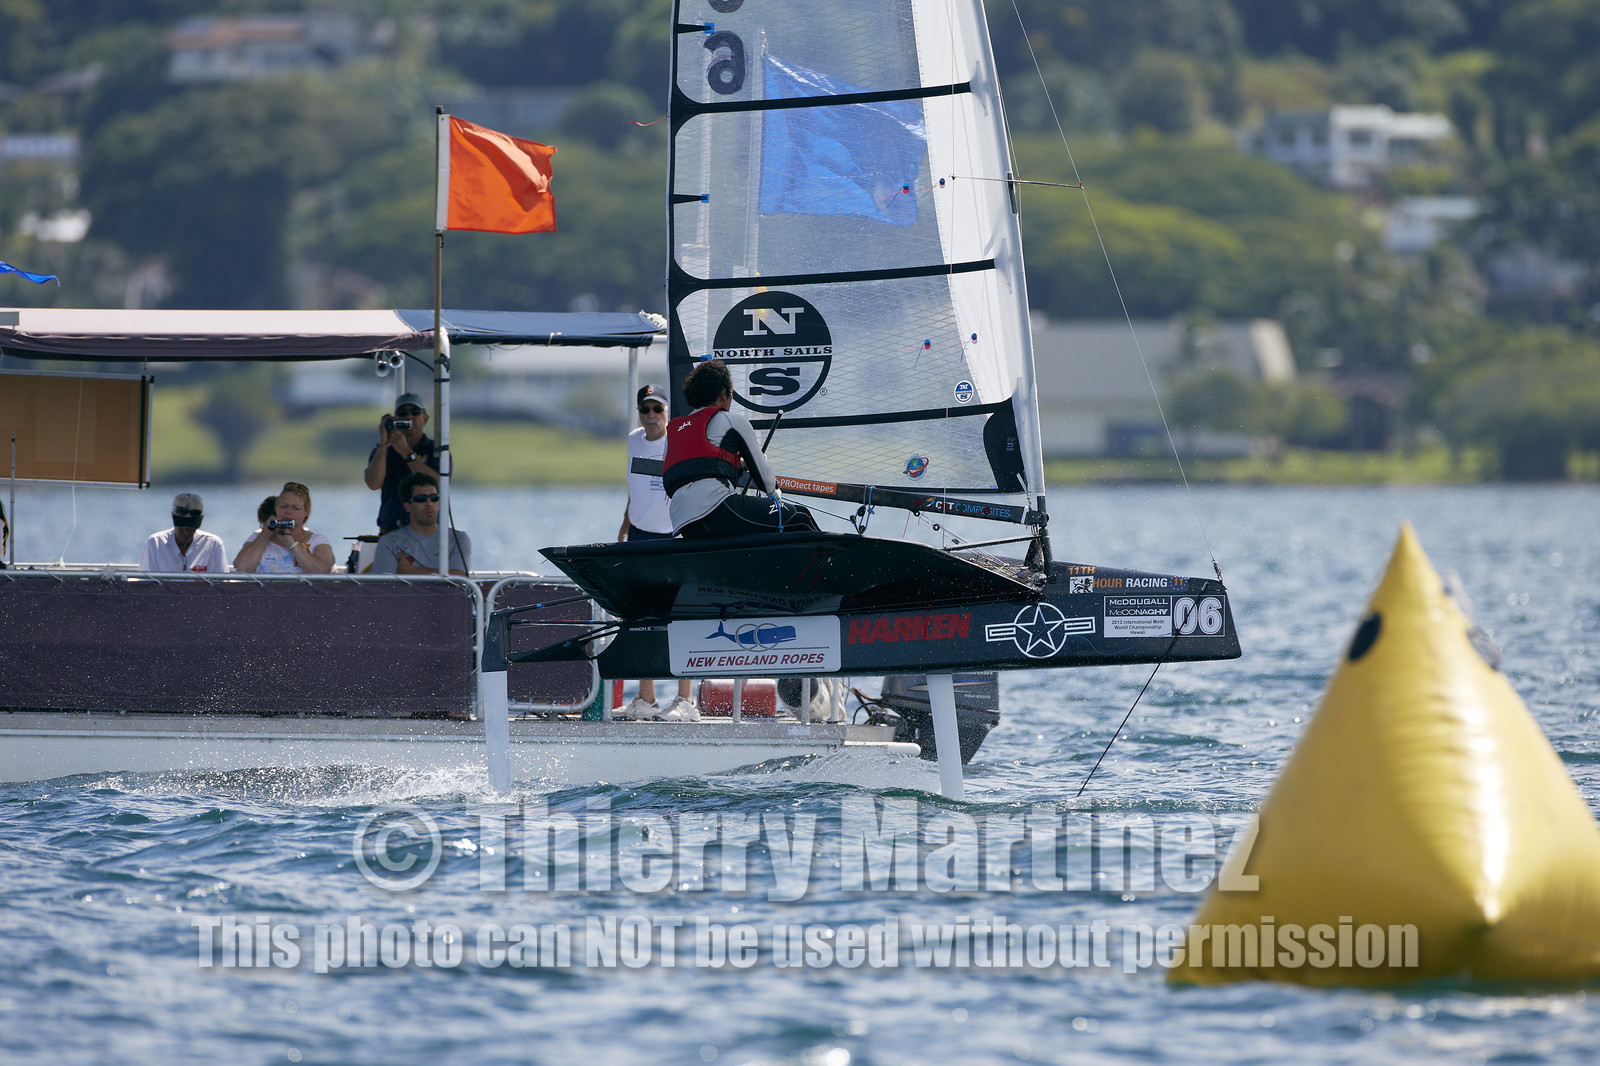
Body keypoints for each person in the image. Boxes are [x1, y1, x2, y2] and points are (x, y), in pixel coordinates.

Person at [663, 358, 818, 537]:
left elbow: (698, 467)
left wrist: (740, 464)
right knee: (800, 515)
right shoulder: (733, 421)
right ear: (724, 394)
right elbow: (766, 481)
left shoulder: (674, 431)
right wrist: (775, 493)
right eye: (732, 393)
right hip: (718, 510)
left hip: (684, 524)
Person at [616, 383, 696, 721]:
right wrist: (624, 527)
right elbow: (635, 490)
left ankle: (686, 700)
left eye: (657, 409)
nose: (651, 415)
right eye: (645, 409)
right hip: (639, 535)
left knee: (678, 615)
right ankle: (646, 699)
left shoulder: (677, 439)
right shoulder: (633, 440)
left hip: (672, 536)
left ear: (666, 412)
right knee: (639, 614)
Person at [363, 392, 439, 534]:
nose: (409, 417)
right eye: (403, 413)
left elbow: (439, 484)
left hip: (426, 532)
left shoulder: (436, 450)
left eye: (415, 412)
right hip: (391, 530)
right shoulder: (383, 452)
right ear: (396, 419)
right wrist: (383, 443)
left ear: (425, 419)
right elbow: (373, 483)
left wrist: (406, 452)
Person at [371, 472, 471, 575]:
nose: (429, 504)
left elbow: (459, 578)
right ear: (407, 506)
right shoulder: (389, 542)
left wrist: (410, 571)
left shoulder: (458, 540)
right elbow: (383, 584)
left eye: (434, 498)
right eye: (421, 499)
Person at [233, 481, 336, 574]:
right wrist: (265, 534)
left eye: (295, 508)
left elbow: (322, 571)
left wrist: (292, 544)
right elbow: (242, 568)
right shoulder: (257, 536)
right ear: (276, 508)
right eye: (283, 506)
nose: (288, 512)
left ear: (306, 511)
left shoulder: (317, 540)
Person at [140, 492, 228, 573]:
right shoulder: (154, 543)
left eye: (191, 529)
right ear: (173, 517)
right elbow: (147, 582)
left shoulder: (214, 544)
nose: (185, 532)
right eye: (181, 528)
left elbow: (222, 582)